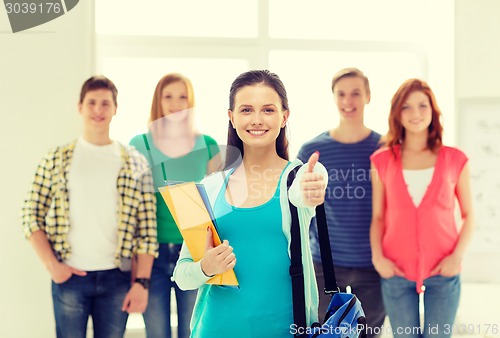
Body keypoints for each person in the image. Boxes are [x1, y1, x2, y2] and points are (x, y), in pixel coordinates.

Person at [173, 69, 328, 337]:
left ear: (284, 117)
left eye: (268, 110)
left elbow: (309, 190)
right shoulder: (209, 187)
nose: (257, 120)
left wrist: (314, 189)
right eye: (246, 110)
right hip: (215, 329)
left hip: (283, 330)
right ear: (231, 117)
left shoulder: (299, 177)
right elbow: (182, 275)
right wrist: (205, 268)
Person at [21, 75, 158, 338]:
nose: (98, 110)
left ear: (115, 108)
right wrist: (52, 265)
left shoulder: (135, 161)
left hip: (117, 278)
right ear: (80, 106)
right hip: (70, 277)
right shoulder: (57, 158)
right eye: (92, 102)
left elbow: (147, 230)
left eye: (105, 103)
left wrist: (142, 283)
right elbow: (29, 213)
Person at [370, 79, 474, 338]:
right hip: (396, 269)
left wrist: (457, 257)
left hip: (444, 269)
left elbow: (469, 214)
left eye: (422, 105)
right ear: (397, 113)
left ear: (433, 110)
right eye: (406, 107)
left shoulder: (455, 159)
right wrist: (378, 258)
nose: (415, 113)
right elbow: (378, 216)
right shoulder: (381, 160)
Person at [129, 73, 221, 338]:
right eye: (168, 96)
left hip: (194, 252)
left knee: (193, 332)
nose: (176, 104)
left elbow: (218, 203)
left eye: (183, 97)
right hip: (152, 256)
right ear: (158, 101)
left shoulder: (208, 145)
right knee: (157, 333)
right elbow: (132, 207)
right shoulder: (140, 144)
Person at [297, 67, 385, 336]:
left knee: (369, 334)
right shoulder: (312, 150)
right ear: (334, 98)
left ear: (368, 96)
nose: (348, 101)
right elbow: (299, 208)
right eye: (342, 94)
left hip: (373, 265)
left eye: (356, 93)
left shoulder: (384, 148)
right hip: (325, 265)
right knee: (325, 333)